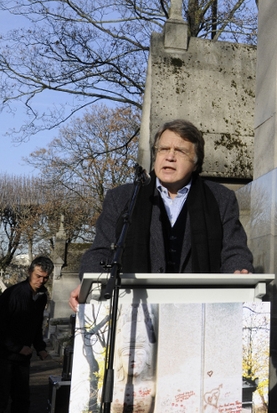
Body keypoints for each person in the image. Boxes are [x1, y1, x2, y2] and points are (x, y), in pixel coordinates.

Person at [69, 119, 253, 311]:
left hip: (199, 310)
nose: (170, 157)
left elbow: (234, 251)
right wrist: (91, 283)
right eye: (164, 149)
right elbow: (101, 251)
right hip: (135, 310)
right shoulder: (122, 198)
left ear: (196, 162)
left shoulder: (220, 199)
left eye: (180, 151)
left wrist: (238, 272)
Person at [0, 256, 54, 413]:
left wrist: (40, 347)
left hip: (22, 357)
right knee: (1, 399)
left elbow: (36, 324)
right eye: (38, 276)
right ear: (29, 272)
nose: (41, 281)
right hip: (3, 355)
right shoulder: (13, 294)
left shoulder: (41, 296)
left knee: (22, 400)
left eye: (45, 278)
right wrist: (16, 347)